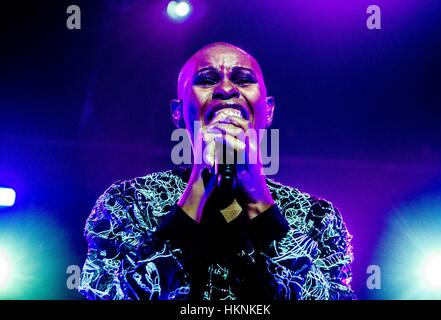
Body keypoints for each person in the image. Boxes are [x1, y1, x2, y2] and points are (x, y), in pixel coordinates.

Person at [78, 42, 356, 300]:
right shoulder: (127, 202)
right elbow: (107, 293)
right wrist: (197, 191)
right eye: (206, 80)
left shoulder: (317, 217)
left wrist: (260, 202)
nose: (225, 89)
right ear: (177, 113)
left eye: (243, 79)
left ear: (268, 110)